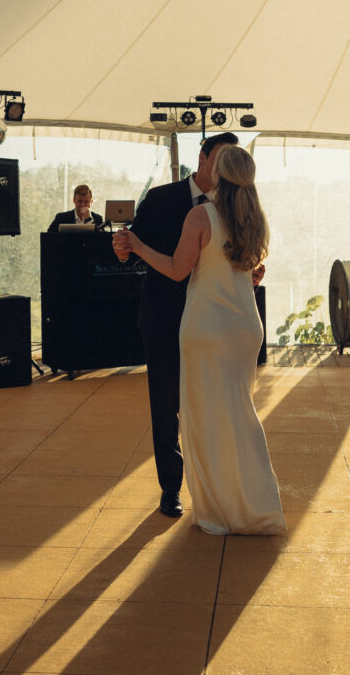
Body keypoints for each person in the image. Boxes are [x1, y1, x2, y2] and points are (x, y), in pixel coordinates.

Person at [116, 144, 286, 536]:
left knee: (203, 421)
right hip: (244, 327)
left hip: (206, 327)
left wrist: (139, 247)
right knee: (238, 416)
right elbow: (247, 266)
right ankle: (255, 503)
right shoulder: (253, 217)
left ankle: (217, 510)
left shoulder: (201, 214)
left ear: (218, 171)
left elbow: (178, 270)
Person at [112, 131, 238, 518]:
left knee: (213, 406)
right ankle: (171, 489)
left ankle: (216, 487)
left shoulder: (236, 205)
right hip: (164, 318)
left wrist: (252, 271)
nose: (225, 169)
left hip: (215, 321)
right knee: (166, 407)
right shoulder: (161, 199)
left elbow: (240, 257)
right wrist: (121, 250)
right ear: (202, 158)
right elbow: (134, 251)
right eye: (220, 159)